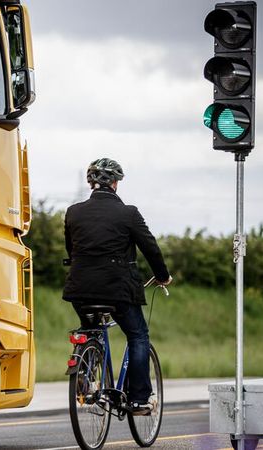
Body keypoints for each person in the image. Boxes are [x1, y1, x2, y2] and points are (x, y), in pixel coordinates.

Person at [63, 158, 172, 415]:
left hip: (80, 287)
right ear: (115, 183)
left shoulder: (73, 212)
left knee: (90, 328)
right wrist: (163, 276)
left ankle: (88, 377)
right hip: (119, 289)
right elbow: (151, 249)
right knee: (137, 335)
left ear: (91, 183)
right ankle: (138, 399)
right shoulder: (129, 213)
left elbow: (72, 250)